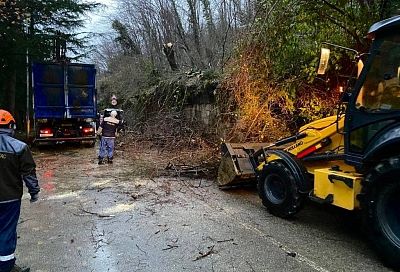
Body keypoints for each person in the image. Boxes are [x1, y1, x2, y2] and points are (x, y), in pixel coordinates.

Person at [0, 110, 40, 272]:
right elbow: (29, 173)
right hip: (9, 199)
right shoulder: (19, 147)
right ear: (11, 126)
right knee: (6, 232)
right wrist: (34, 192)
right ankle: (6, 267)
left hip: (10, 198)